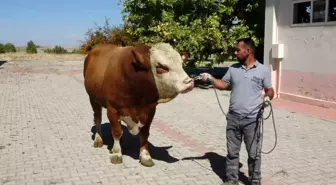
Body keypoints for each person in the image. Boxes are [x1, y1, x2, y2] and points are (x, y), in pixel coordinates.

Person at [200, 38, 274, 185]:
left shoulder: (262, 70)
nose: (235, 52)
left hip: (252, 120)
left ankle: (254, 180)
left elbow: (270, 90)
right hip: (233, 118)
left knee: (254, 154)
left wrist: (267, 99)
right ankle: (231, 179)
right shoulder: (233, 68)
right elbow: (222, 84)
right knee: (232, 152)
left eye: (237, 50)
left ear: (248, 51)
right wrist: (210, 78)